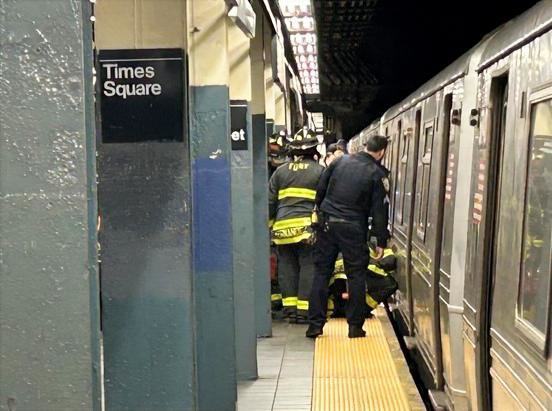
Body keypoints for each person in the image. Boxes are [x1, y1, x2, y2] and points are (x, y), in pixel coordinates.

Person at [306, 134, 390, 338]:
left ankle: (315, 326)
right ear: (381, 152)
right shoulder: (377, 174)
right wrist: (380, 241)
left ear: (365, 147)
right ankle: (354, 327)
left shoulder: (339, 161)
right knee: (356, 275)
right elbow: (379, 210)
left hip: (327, 224)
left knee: (321, 273)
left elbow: (321, 189)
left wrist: (321, 211)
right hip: (353, 228)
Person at [269, 129, 324, 323]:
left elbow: (270, 202)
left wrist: (270, 227)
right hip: (306, 230)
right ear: (314, 150)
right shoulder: (319, 171)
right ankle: (304, 311)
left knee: (287, 268)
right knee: (308, 266)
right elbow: (325, 201)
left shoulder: (280, 171)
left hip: (282, 230)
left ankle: (290, 310)